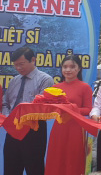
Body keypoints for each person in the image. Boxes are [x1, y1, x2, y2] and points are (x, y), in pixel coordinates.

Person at [2, 46, 54, 175]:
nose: (18, 68)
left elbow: (43, 107)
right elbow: (5, 103)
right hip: (13, 128)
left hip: (33, 129)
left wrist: (24, 118)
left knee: (34, 167)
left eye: (21, 64)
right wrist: (9, 117)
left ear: (33, 60)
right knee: (11, 166)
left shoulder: (45, 80)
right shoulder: (14, 80)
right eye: (15, 65)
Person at [47, 54, 93, 175]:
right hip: (59, 128)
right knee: (56, 158)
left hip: (76, 129)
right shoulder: (56, 87)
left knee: (73, 159)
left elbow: (88, 109)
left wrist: (71, 109)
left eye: (72, 67)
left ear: (79, 69)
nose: (68, 70)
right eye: (65, 67)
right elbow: (51, 109)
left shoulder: (85, 87)